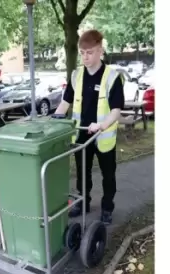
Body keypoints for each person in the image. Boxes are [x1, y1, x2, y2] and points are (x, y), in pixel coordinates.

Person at [54, 30, 125, 224]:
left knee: (108, 175)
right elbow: (65, 103)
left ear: (100, 50)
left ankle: (107, 208)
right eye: (82, 52)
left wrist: (101, 125)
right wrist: (55, 119)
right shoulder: (76, 75)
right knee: (82, 174)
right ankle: (83, 202)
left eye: (90, 52)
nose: (85, 57)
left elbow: (116, 110)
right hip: (81, 135)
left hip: (103, 136)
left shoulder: (112, 76)